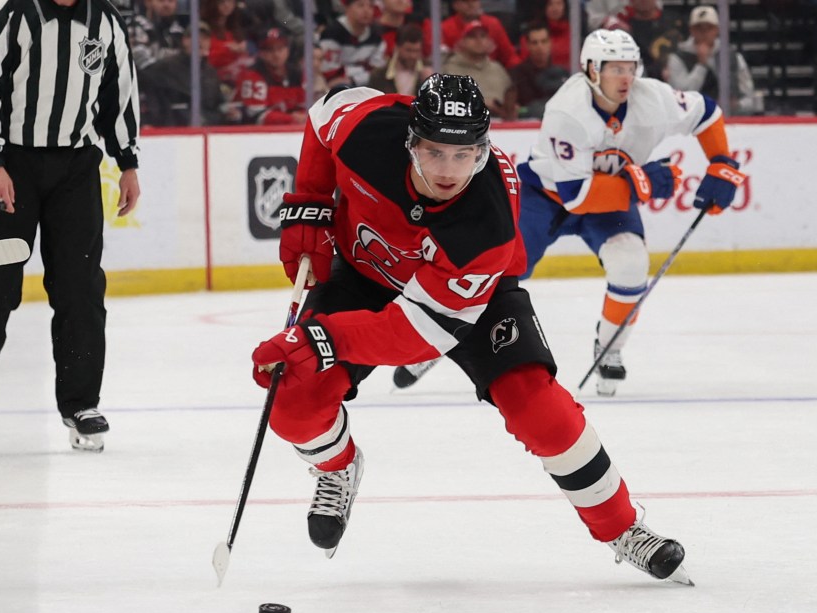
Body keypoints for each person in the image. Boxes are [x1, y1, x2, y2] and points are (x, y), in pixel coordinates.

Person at [248, 74, 693, 585]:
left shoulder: (488, 219)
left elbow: (418, 334)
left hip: (470, 299)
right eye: (435, 152)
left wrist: (320, 339)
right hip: (364, 274)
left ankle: (622, 528)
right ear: (410, 141)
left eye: (464, 155)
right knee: (292, 401)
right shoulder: (369, 130)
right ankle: (337, 467)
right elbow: (327, 112)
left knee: (538, 408)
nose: (448, 170)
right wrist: (310, 203)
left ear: (482, 150)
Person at [394, 30, 746, 398]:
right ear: (592, 70)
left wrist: (722, 162)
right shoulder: (568, 109)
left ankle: (610, 348)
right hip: (547, 196)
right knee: (496, 270)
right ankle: (441, 339)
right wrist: (640, 183)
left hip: (607, 200)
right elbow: (576, 195)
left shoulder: (653, 98)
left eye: (631, 67)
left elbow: (706, 112)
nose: (626, 77)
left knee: (631, 264)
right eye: (615, 68)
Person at [0, 0, 142, 452]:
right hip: (11, 164)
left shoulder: (105, 19)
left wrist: (127, 162)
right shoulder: (9, 13)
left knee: (80, 289)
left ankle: (81, 404)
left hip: (77, 169)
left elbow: (119, 91)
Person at [663, 6, 761, 115]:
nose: (704, 33)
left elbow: (749, 96)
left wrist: (737, 105)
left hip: (729, 117)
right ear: (691, 30)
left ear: (717, 30)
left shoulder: (732, 57)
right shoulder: (677, 58)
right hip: (693, 119)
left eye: (709, 28)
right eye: (699, 28)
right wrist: (701, 65)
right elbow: (680, 98)